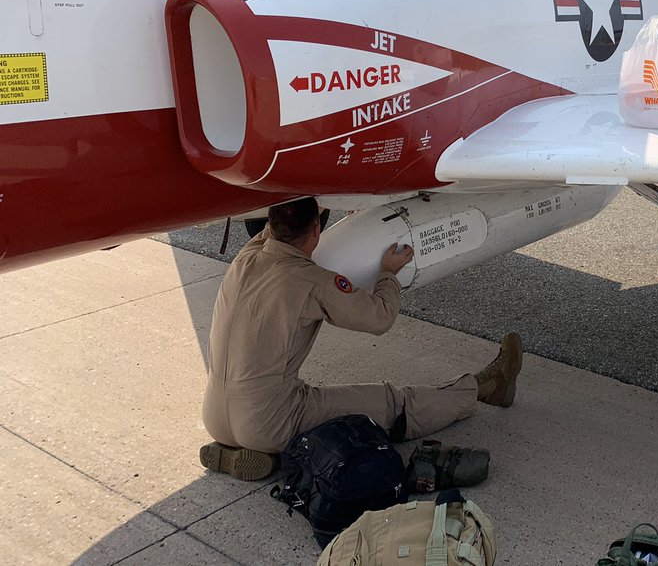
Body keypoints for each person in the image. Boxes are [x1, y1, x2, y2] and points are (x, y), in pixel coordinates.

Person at [200, 196, 523, 481]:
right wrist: (388, 274)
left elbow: (277, 229)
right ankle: (484, 388)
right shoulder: (312, 281)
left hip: (215, 416)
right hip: (270, 420)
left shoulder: (246, 257)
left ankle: (243, 452)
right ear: (316, 231)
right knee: (390, 403)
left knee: (271, 404)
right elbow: (379, 317)